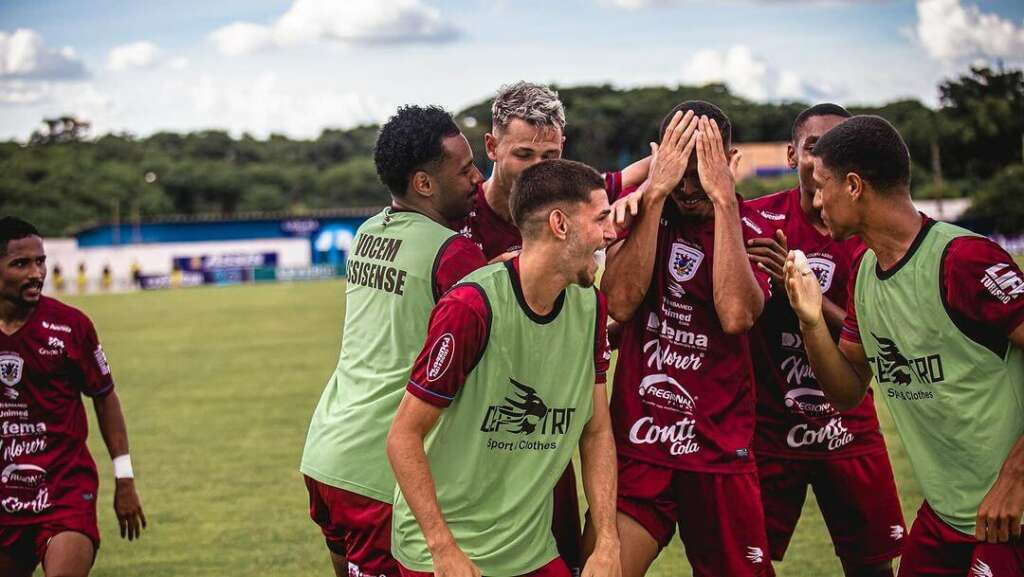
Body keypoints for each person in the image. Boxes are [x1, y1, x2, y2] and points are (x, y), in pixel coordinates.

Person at [784, 115, 1024, 576]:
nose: (815, 201)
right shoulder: (864, 275)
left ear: (854, 186)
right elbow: (849, 389)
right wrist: (812, 321)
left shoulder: (963, 260)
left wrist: (1014, 478)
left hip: (1009, 517)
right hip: (945, 518)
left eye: (822, 186)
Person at [387, 159, 619, 577]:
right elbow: (403, 436)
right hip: (448, 554)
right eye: (602, 217)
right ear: (559, 224)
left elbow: (596, 429)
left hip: (530, 550)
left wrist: (606, 541)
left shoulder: (591, 306)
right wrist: (444, 550)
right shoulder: (470, 307)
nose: (611, 233)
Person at [452, 81, 646, 574]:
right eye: (523, 154)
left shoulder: (573, 197)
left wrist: (665, 170)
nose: (541, 169)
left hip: (542, 434)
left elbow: (627, 178)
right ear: (492, 148)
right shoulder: (457, 216)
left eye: (552, 154)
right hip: (471, 437)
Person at [300, 105, 487, 577]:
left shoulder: (367, 233)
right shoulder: (454, 253)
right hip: (380, 472)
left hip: (327, 449)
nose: (477, 178)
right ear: (424, 184)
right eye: (464, 169)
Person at [597, 102, 775, 577]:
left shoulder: (752, 228)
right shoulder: (640, 211)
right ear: (661, 158)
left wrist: (724, 201)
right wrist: (655, 194)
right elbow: (619, 302)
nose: (690, 186)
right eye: (682, 170)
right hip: (643, 442)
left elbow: (736, 314)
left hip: (718, 448)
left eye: (703, 170)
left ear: (728, 161)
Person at [744, 104, 905, 576]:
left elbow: (881, 338)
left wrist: (807, 297)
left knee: (873, 566)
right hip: (766, 430)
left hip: (847, 425)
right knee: (745, 562)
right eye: (814, 147)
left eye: (836, 148)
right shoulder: (755, 220)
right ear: (792, 152)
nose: (822, 161)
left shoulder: (868, 232)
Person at [0, 217, 146, 577]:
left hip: (64, 490)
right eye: (21, 264)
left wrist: (124, 477)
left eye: (40, 261)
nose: (36, 273)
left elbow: (104, 396)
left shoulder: (70, 326)